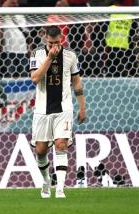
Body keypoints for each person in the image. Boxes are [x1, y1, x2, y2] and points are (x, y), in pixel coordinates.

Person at [29, 26, 86, 198]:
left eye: (57, 42)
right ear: (45, 38)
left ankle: (60, 188)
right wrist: (49, 58)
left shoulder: (70, 55)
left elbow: (76, 82)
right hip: (42, 110)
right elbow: (35, 79)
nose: (54, 46)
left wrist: (82, 106)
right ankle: (46, 182)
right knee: (40, 150)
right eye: (51, 43)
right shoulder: (36, 54)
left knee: (61, 145)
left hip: (64, 108)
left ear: (62, 39)